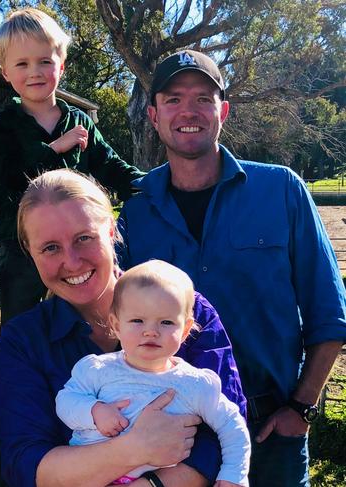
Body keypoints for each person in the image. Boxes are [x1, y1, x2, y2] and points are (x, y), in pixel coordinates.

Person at [116, 49, 346, 487]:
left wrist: (300, 407)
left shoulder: (281, 190)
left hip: (270, 430)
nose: (189, 111)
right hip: (174, 439)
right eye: (173, 99)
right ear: (153, 115)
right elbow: (110, 314)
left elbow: (329, 313)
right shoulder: (137, 208)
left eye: (203, 98)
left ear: (222, 111)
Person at [0, 169, 246, 487]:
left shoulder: (186, 310)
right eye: (50, 248)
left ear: (111, 230)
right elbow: (26, 463)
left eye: (84, 238)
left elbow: (225, 432)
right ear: (31, 253)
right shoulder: (23, 343)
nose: (72, 261)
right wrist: (132, 449)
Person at [0, 8, 144, 326]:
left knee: (94, 317)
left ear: (62, 64)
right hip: (23, 249)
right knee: (20, 323)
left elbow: (110, 166)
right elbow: (12, 179)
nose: (35, 72)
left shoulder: (79, 121)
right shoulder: (1, 126)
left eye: (45, 61)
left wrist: (156, 184)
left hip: (78, 244)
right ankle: (19, 374)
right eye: (22, 64)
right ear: (5, 72)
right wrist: (57, 148)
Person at [56, 260, 250, 486]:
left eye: (166, 322)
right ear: (116, 325)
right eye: (137, 321)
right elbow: (66, 401)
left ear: (186, 330)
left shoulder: (195, 384)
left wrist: (233, 474)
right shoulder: (97, 369)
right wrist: (94, 410)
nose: (151, 332)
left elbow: (232, 426)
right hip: (91, 476)